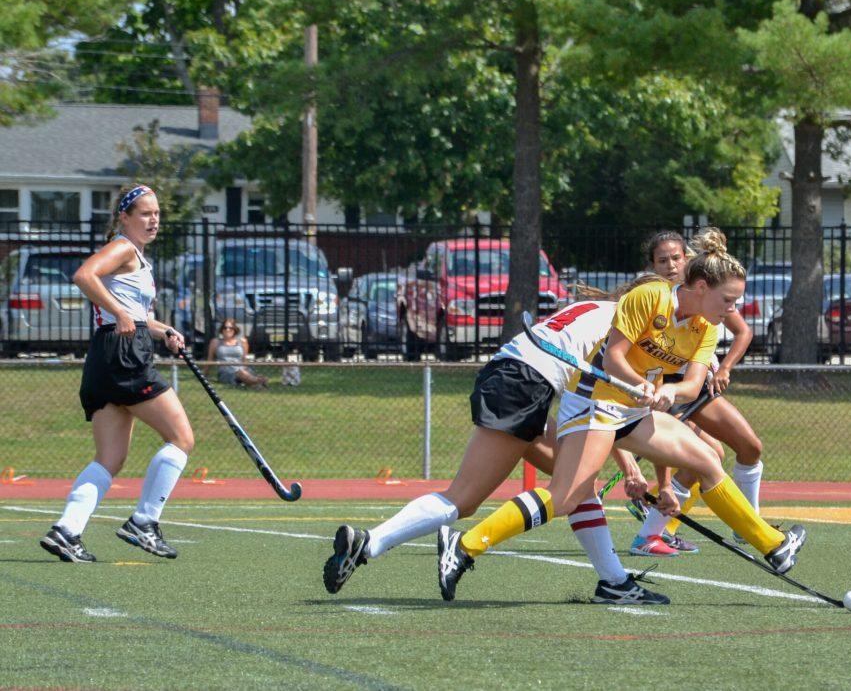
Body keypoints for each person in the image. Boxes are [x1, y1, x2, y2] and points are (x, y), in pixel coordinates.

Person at [436, 229, 805, 602]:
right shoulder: (649, 297)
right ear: (700, 286)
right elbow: (614, 356)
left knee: (708, 460)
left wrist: (668, 391)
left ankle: (773, 546)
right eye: (726, 300)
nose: (730, 309)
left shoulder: (705, 328)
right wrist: (638, 383)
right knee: (565, 497)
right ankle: (465, 546)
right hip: (595, 401)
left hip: (633, 409)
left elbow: (692, 387)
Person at [323, 299, 668, 605]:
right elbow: (602, 412)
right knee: (463, 499)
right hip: (526, 383)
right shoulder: (628, 324)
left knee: (579, 487)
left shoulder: (598, 310)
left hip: (513, 375)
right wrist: (629, 465)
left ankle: (613, 582)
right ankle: (369, 544)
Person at [39, 184, 192, 563]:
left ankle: (66, 530)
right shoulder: (123, 248)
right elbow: (84, 275)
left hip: (107, 355)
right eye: (144, 212)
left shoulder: (136, 258)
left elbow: (133, 315)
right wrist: (124, 315)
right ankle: (144, 521)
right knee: (181, 437)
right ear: (124, 217)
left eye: (156, 213)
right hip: (123, 353)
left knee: (110, 457)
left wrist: (164, 331)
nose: (153, 219)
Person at [627, 230, 767, 557]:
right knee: (709, 455)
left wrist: (724, 368)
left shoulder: (708, 304)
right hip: (661, 386)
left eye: (677, 258)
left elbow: (742, 331)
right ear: (652, 266)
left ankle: (747, 524)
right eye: (663, 260)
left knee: (749, 447)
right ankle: (654, 532)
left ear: (688, 261)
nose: (672, 265)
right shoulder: (653, 298)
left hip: (692, 386)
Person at [208, 318, 268, 389]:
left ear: (234, 330)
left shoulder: (242, 342)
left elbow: (244, 360)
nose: (227, 330)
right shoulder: (215, 342)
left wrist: (246, 369)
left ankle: (254, 383)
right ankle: (257, 380)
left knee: (243, 372)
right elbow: (210, 360)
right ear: (222, 329)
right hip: (226, 372)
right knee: (240, 373)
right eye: (225, 327)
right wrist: (205, 374)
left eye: (230, 328)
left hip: (242, 369)